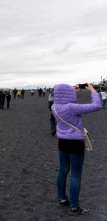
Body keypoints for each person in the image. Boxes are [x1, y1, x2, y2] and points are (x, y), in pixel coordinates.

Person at [52, 83, 101, 215]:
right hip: (75, 143)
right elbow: (97, 105)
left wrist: (73, 92)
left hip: (62, 141)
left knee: (62, 170)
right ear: (68, 94)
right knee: (76, 174)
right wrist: (93, 91)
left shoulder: (54, 106)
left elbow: (65, 102)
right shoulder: (73, 108)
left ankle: (62, 199)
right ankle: (74, 207)